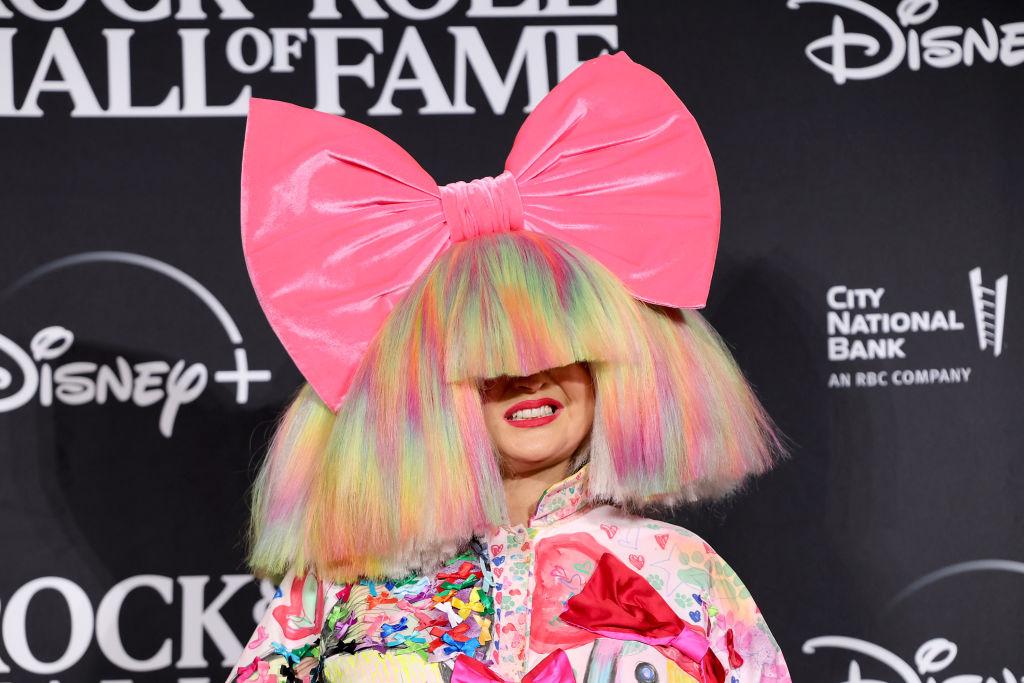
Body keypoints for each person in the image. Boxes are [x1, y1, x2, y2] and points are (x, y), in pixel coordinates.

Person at [228, 51, 792, 683]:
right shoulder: (340, 586)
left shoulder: (685, 574)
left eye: (558, 350)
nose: (528, 379)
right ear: (424, 392)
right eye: (488, 362)